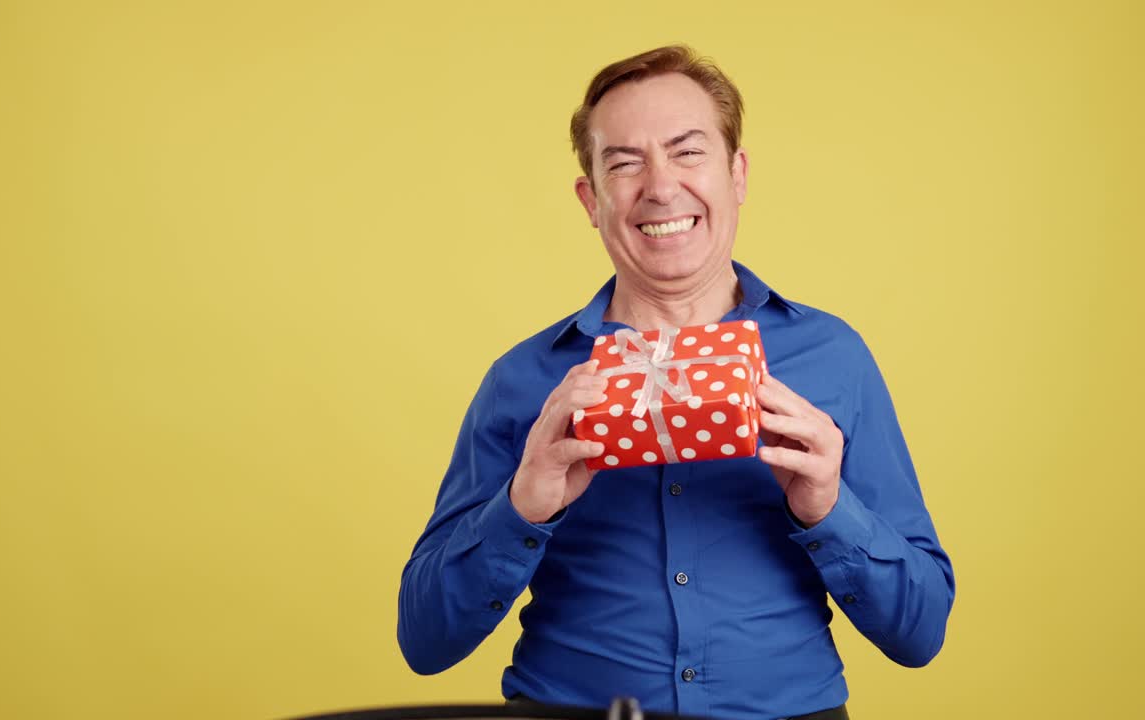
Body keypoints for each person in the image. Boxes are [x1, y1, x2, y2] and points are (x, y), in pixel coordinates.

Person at [397, 45, 954, 720]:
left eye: (688, 152)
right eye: (624, 163)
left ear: (736, 174)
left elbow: (921, 632)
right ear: (591, 199)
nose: (659, 187)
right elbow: (424, 641)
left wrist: (829, 507)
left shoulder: (832, 357)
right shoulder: (527, 380)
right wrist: (522, 507)